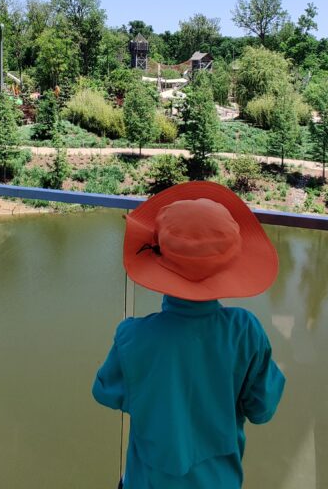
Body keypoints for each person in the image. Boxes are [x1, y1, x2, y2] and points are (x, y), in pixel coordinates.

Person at [92, 181, 287, 488]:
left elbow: (106, 392)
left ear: (158, 258)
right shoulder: (245, 331)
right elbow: (262, 409)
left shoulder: (133, 336)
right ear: (231, 263)